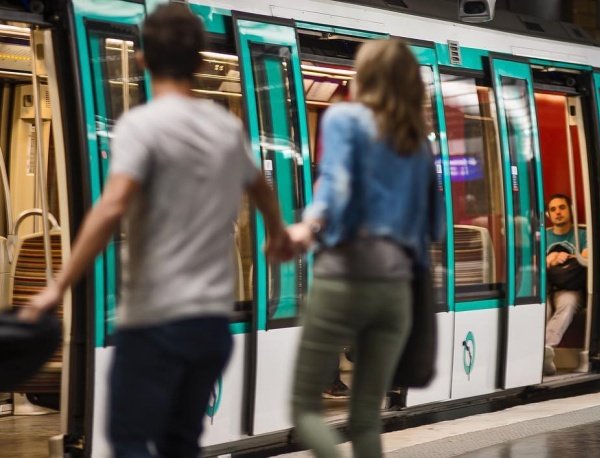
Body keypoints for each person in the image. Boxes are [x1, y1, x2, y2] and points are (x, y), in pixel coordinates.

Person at [19, 4, 292, 457]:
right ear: (199, 62)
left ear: (142, 59)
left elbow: (111, 207)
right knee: (180, 443)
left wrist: (57, 287)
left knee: (128, 439)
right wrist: (277, 235)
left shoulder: (142, 125)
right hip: (210, 326)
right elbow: (262, 189)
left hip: (154, 320)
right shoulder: (226, 127)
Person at [286, 39, 443, 458]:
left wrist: (307, 227)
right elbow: (435, 226)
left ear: (365, 77)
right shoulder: (418, 140)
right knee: (366, 420)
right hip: (397, 293)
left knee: (304, 408)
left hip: (345, 277)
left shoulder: (344, 118)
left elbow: (336, 185)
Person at [544, 193, 588, 376]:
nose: (558, 212)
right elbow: (534, 262)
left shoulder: (582, 234)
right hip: (546, 288)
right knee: (541, 309)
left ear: (570, 210)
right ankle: (541, 354)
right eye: (553, 209)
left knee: (567, 304)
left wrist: (566, 257)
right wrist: (550, 258)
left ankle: (545, 349)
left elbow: (586, 256)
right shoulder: (543, 236)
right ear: (548, 214)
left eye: (562, 207)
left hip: (570, 287)